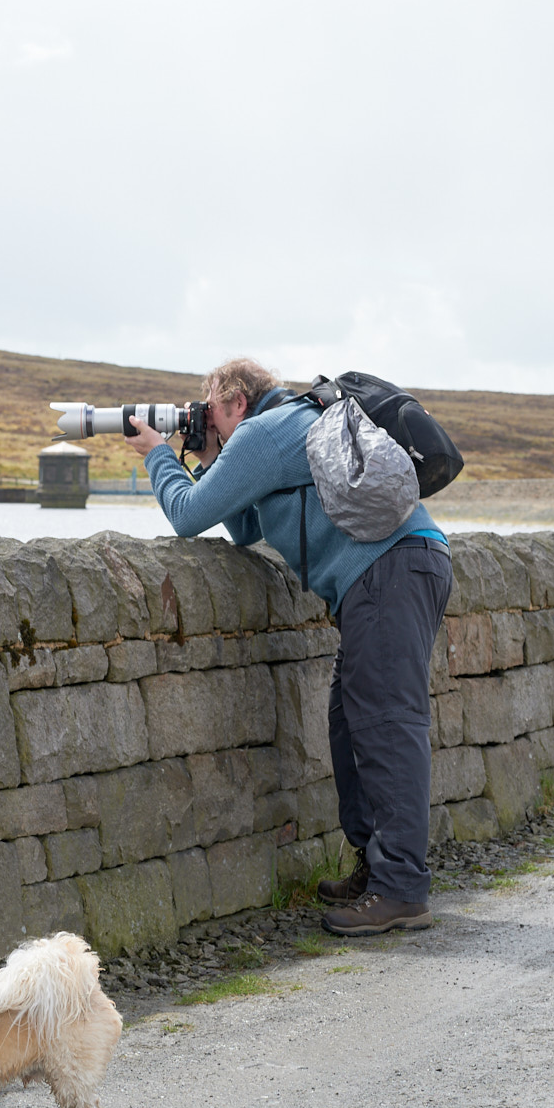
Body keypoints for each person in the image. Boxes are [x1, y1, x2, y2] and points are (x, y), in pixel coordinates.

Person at [124, 359, 452, 936]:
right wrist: (208, 461)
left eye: (209, 408)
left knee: (386, 726)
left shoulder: (261, 431)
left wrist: (157, 452)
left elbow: (188, 516)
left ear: (233, 399)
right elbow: (245, 527)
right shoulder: (288, 423)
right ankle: (376, 871)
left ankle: (401, 888)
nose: (207, 420)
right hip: (399, 570)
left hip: (388, 575)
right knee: (350, 725)